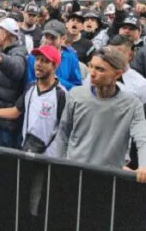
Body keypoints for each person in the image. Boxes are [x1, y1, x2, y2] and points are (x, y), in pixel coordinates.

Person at [56, 47, 146, 181]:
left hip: (110, 177)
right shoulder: (76, 95)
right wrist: (61, 163)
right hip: (75, 173)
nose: (92, 73)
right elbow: (63, 133)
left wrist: (144, 165)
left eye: (100, 69)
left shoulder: (132, 104)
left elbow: (142, 138)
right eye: (91, 66)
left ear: (117, 74)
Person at [0, 45, 66, 157]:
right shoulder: (31, 88)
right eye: (37, 59)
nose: (38, 64)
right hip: (27, 152)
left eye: (44, 61)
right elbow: (16, 111)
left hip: (49, 158)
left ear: (54, 66)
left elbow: (65, 129)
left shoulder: (61, 95)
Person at [0, 18, 27, 148]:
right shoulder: (3, 51)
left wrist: (1, 61)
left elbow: (17, 69)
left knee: (7, 161)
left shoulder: (19, 52)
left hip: (8, 123)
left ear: (4, 35)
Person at [26, 19, 82, 90]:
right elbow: (28, 85)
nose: (49, 41)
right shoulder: (33, 56)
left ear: (63, 38)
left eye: (53, 38)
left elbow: (77, 87)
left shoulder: (71, 58)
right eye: (46, 36)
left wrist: (55, 81)